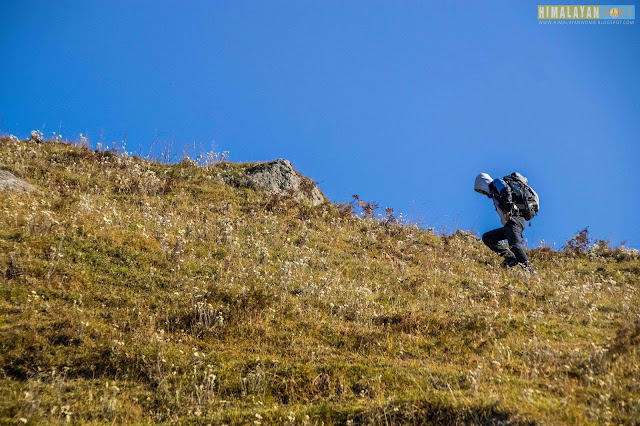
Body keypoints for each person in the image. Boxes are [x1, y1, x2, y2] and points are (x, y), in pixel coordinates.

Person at [474, 173, 535, 274]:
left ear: (483, 182)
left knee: (515, 246)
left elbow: (506, 191)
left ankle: (530, 272)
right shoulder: (494, 193)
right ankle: (510, 258)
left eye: (481, 189)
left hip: (515, 220)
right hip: (510, 224)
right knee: (488, 237)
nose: (482, 192)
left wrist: (508, 210)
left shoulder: (496, 183)